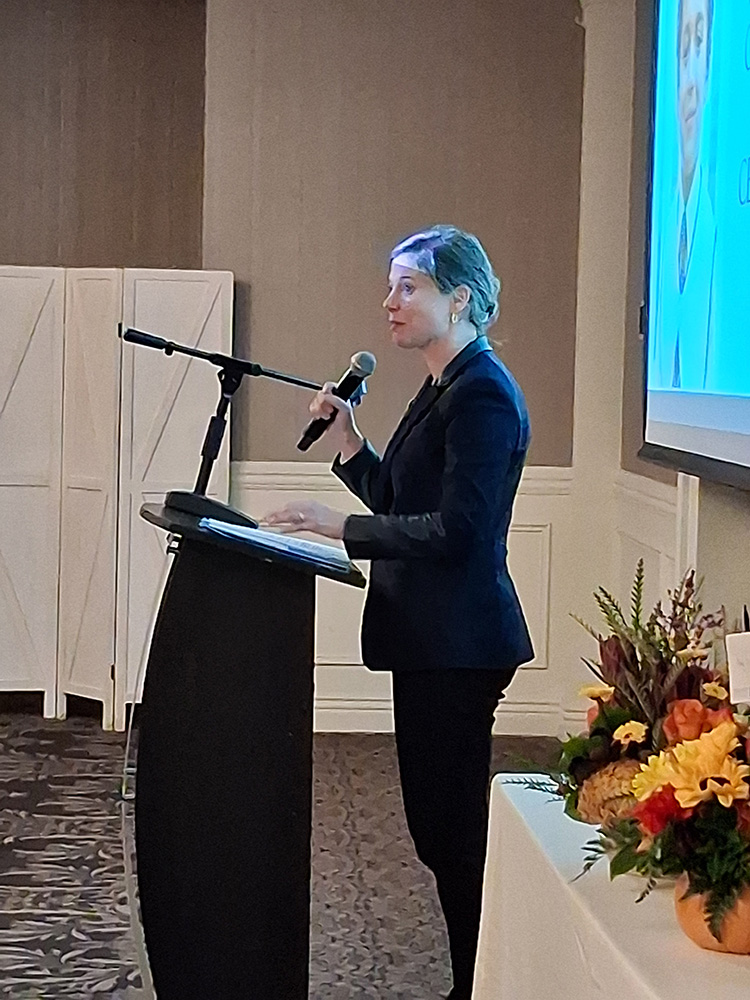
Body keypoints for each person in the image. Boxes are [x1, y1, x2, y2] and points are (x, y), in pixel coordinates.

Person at [263, 225, 533, 999]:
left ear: (461, 298)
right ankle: (473, 981)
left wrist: (337, 525)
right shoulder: (445, 384)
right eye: (391, 286)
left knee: (453, 836)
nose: (390, 301)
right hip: (430, 641)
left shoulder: (482, 393)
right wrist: (350, 444)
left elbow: (458, 532)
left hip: (460, 644)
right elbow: (399, 500)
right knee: (439, 832)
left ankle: (480, 986)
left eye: (408, 286)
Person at [650, 0, 717, 391]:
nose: (689, 81)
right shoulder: (661, 233)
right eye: (683, 51)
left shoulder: (723, 234)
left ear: (709, 70)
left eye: (700, 43)